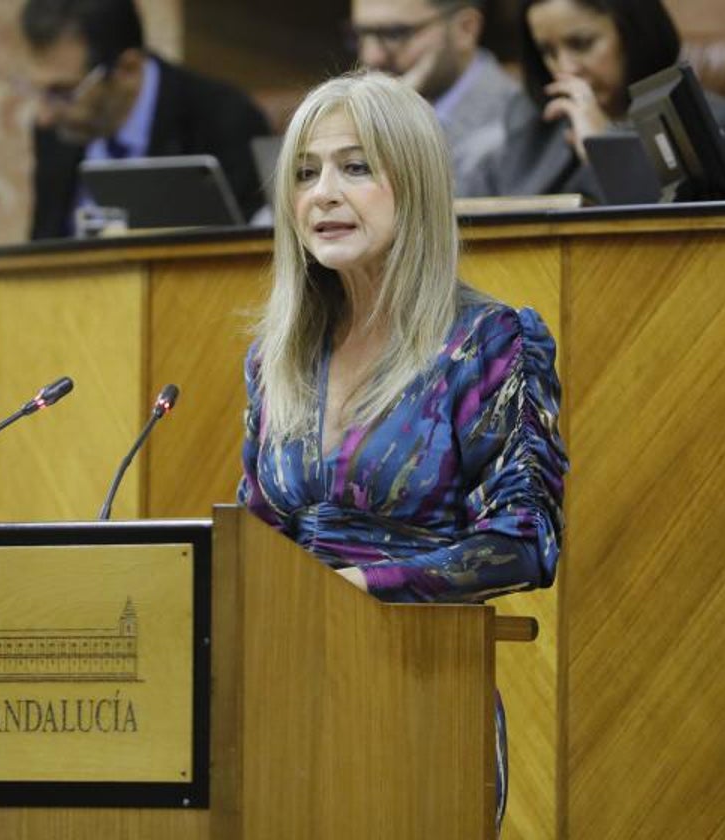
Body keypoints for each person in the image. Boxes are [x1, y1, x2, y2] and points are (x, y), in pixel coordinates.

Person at [237, 71, 568, 831]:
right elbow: (259, 534)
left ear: (413, 185)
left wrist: (359, 586)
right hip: (285, 693)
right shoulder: (277, 357)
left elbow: (525, 541)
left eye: (355, 167)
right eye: (304, 172)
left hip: (416, 689)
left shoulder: (486, 344)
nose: (323, 193)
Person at [462, 0, 725, 199]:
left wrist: (603, 144)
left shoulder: (721, 123)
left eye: (581, 44)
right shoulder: (536, 116)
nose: (565, 68)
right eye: (548, 52)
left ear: (633, 33)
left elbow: (697, 244)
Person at [21, 0, 271, 239]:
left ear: (128, 69)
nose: (44, 116)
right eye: (41, 91)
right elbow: (42, 247)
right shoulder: (59, 131)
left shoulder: (225, 119)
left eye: (63, 92)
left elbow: (247, 263)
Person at [349, 0, 522, 194]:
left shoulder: (514, 126)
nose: (371, 56)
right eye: (360, 35)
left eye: (395, 34)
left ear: (465, 29)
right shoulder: (358, 114)